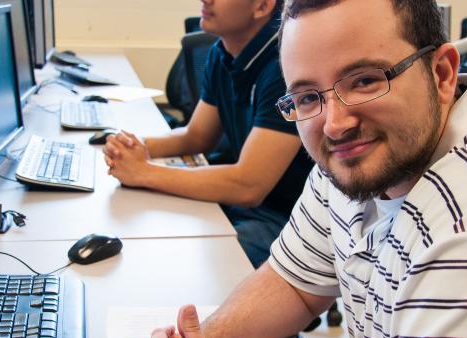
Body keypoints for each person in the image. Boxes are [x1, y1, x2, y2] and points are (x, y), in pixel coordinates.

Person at [122, 0, 467, 338]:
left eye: (365, 80)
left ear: (440, 73)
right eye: (306, 98)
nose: (335, 123)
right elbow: (292, 285)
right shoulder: (353, 163)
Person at [104, 0, 313, 268]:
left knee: (181, 262)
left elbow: (249, 186)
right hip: (244, 207)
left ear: (261, 6)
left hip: (285, 219)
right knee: (157, 230)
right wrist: (134, 146)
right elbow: (196, 136)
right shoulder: (222, 53)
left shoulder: (283, 67)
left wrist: (143, 172)